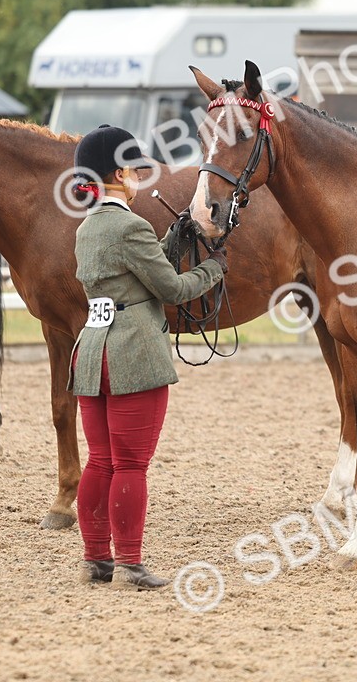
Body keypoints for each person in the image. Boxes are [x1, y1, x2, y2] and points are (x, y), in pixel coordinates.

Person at [69, 124, 227, 590]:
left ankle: (96, 559)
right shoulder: (131, 226)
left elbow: (136, 275)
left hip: (93, 349)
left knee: (100, 461)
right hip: (132, 352)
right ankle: (131, 564)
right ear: (120, 174)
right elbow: (173, 289)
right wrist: (213, 269)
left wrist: (174, 240)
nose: (140, 177)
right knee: (131, 464)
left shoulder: (89, 227)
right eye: (136, 170)